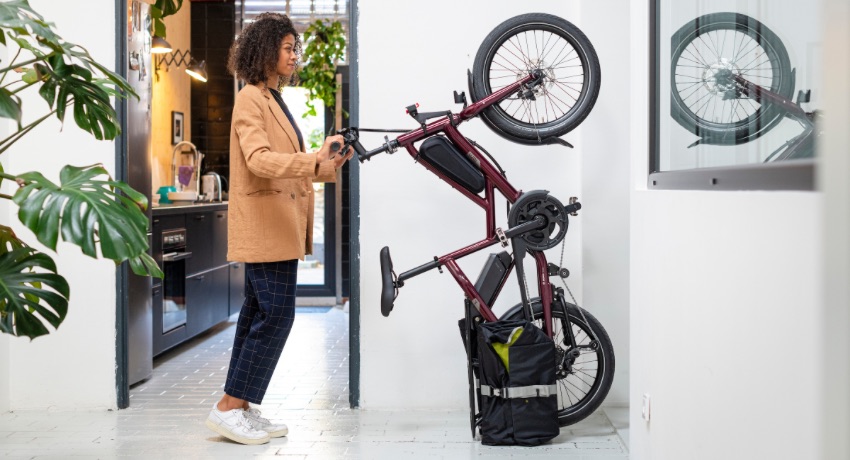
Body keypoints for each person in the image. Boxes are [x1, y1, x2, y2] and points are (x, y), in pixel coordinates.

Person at [204, 12, 353, 445]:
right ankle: (231, 406)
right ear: (266, 50)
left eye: (295, 48)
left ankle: (240, 406)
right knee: (277, 315)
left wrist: (328, 164)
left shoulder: (272, 97)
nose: (294, 55)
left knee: (257, 313)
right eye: (288, 47)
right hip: (265, 225)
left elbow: (289, 166)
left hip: (279, 225)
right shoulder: (251, 97)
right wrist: (312, 160)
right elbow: (259, 160)